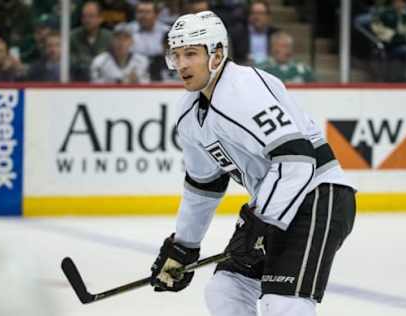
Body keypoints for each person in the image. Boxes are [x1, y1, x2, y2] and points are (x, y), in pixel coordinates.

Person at [149, 11, 356, 316]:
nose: (181, 65)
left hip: (319, 196)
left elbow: (298, 160)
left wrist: (262, 224)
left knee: (284, 304)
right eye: (176, 55)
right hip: (274, 205)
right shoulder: (188, 113)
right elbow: (203, 186)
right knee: (225, 291)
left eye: (191, 54)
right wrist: (184, 246)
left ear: (217, 55)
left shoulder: (244, 89)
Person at [70, 1, 113, 81]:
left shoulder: (109, 37)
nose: (87, 20)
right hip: (79, 81)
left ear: (100, 18)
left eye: (91, 16)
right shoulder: (72, 37)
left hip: (104, 81)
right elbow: (70, 61)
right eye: (84, 16)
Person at [230, 0, 279, 65]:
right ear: (249, 16)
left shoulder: (276, 34)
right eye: (253, 13)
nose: (256, 17)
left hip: (269, 70)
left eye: (261, 13)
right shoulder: (237, 35)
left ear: (268, 17)